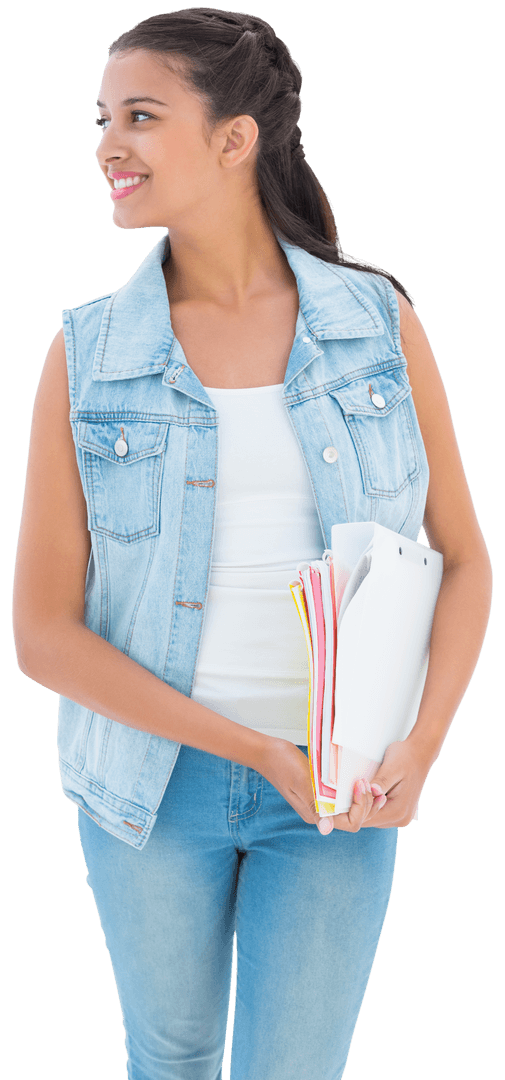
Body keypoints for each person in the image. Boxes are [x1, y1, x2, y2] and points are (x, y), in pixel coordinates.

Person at [12, 9, 492, 1080]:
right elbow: (43, 636)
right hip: (150, 787)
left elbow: (462, 557)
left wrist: (419, 745)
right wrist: (250, 751)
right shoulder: (86, 357)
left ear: (234, 140)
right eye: (102, 119)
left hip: (340, 786)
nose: (105, 145)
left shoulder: (378, 323)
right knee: (171, 1060)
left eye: (140, 115)